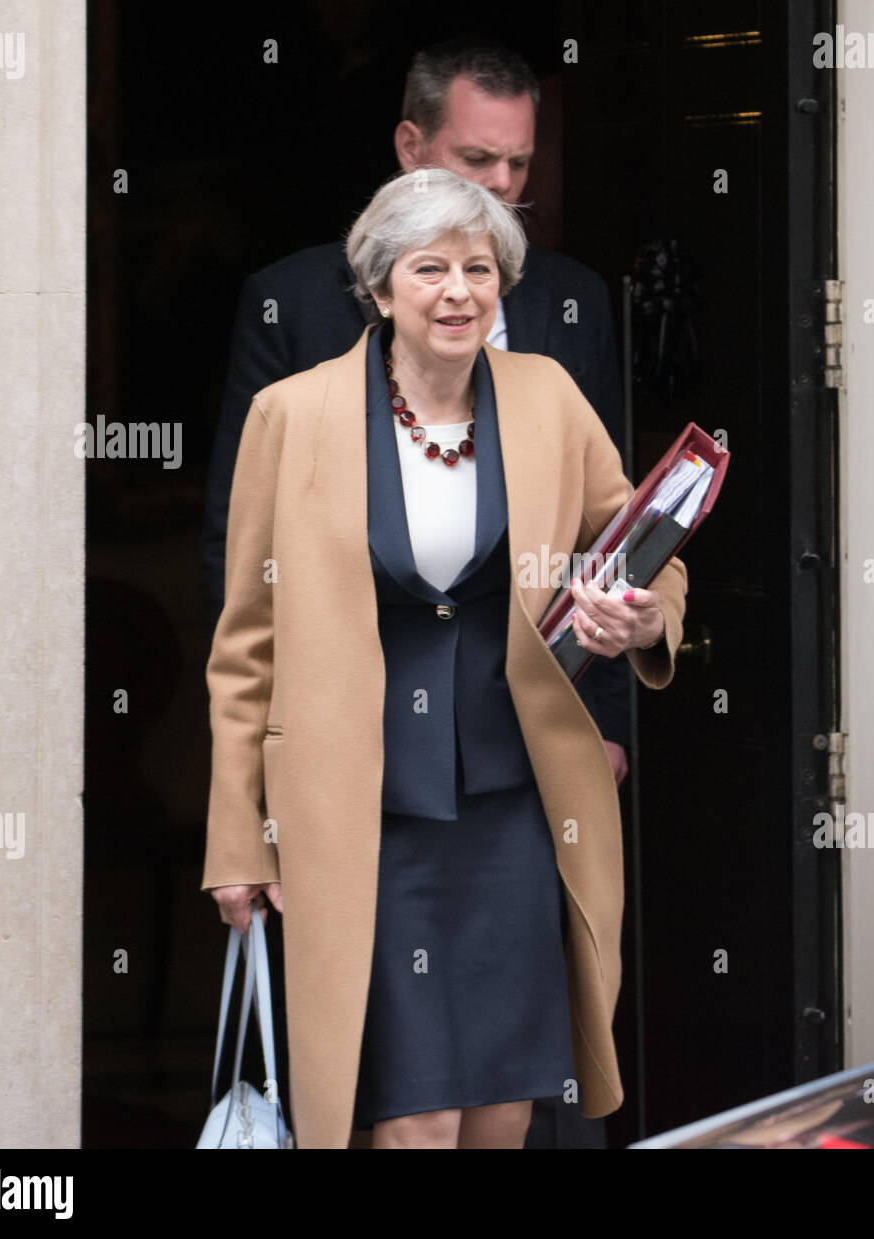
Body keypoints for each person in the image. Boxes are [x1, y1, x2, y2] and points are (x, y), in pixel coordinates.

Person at [202, 167, 687, 1149]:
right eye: (429, 269)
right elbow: (244, 643)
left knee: (502, 1112)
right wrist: (240, 838)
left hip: (513, 811)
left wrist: (639, 618)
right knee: (414, 1120)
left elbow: (642, 542)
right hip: (366, 823)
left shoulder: (545, 396)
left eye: (479, 267)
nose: (458, 291)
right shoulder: (291, 416)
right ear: (381, 288)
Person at [201, 38, 634, 789]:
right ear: (410, 146)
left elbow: (609, 542)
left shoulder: (574, 305)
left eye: (520, 164)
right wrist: (263, 765)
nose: (503, 187)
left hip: (530, 747)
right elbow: (237, 554)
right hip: (348, 748)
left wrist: (605, 722)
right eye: (476, 160)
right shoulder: (292, 305)